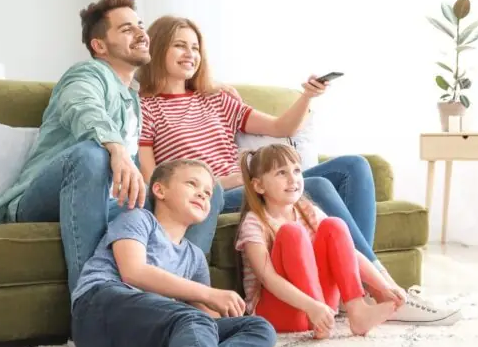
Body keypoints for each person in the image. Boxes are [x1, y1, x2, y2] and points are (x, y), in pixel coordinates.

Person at [0, 0, 235, 293]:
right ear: (100, 45)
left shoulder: (133, 99)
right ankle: (91, 302)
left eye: (141, 26)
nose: (142, 34)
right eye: (127, 29)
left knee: (209, 192)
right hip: (46, 197)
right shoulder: (86, 75)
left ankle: (181, 299)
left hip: (112, 201)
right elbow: (82, 106)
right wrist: (116, 149)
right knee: (93, 156)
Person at [135, 16, 397, 288]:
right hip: (215, 194)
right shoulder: (145, 108)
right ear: (158, 49)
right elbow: (155, 180)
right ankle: (381, 286)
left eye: (195, 47)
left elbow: (280, 127)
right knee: (315, 186)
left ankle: (366, 280)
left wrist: (306, 96)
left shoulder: (216, 98)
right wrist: (225, 182)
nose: (190, 54)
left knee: (353, 166)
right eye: (180, 46)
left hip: (248, 184)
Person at [71, 159, 305, 347]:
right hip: (98, 314)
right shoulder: (138, 220)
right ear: (160, 190)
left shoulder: (193, 256)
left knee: (259, 327)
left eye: (207, 192)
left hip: (144, 341)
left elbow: (205, 321)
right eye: (192, 184)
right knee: (189, 318)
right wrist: (209, 294)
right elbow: (133, 272)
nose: (202, 194)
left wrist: (224, 315)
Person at [235, 144, 404, 338]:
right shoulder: (254, 222)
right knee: (292, 233)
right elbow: (268, 279)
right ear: (259, 185)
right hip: (282, 312)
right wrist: (312, 306)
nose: (293, 179)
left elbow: (349, 254)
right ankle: (318, 315)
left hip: (322, 309)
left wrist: (384, 286)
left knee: (335, 225)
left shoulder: (307, 210)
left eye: (297, 170)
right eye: (281, 173)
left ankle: (357, 311)